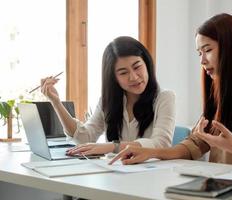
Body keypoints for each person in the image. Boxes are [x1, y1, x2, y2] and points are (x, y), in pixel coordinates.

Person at [109, 14, 232, 170]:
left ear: (231, 48)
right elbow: (194, 144)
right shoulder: (221, 91)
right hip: (221, 188)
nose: (202, 61)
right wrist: (151, 153)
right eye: (199, 53)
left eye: (207, 50)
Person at [41, 36, 176, 156]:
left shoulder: (164, 98)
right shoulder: (108, 101)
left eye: (137, 67)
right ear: (114, 78)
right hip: (116, 174)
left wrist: (112, 147)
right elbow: (84, 138)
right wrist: (56, 102)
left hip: (151, 176)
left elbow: (161, 144)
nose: (134, 77)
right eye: (123, 73)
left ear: (146, 64)